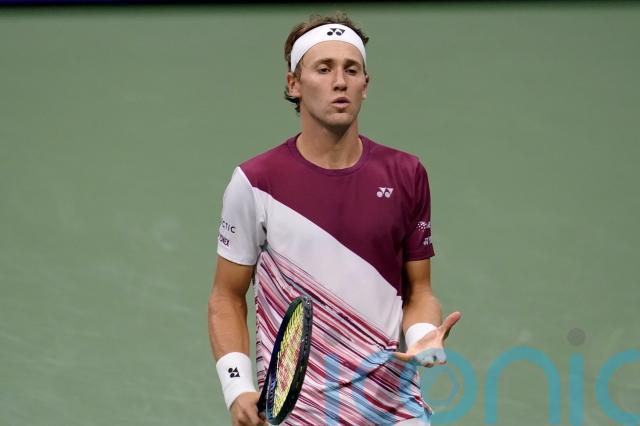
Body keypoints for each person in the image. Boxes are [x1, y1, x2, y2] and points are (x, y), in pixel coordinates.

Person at [208, 11, 461, 426]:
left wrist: (421, 336)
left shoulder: (406, 174)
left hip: (393, 409)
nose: (339, 82)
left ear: (366, 84)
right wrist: (237, 388)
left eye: (351, 70)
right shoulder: (256, 182)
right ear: (294, 84)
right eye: (323, 69)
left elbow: (419, 290)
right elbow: (226, 296)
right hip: (301, 413)